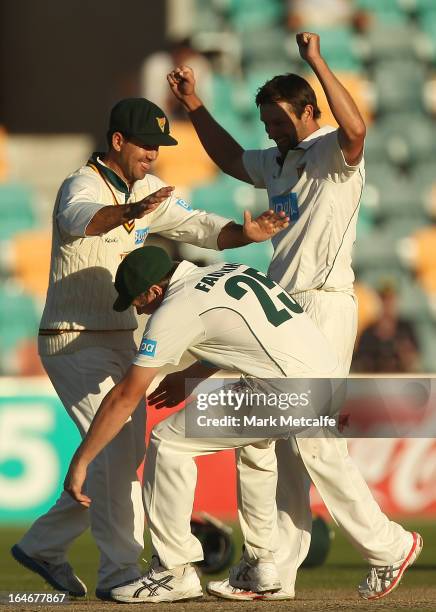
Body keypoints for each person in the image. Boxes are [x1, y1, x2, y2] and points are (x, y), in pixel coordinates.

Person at [166, 31, 422, 600]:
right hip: (283, 310)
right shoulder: (278, 160)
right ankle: (274, 570)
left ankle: (389, 545)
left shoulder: (332, 151)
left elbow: (358, 130)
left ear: (310, 111)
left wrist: (317, 61)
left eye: (281, 121)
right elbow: (232, 159)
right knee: (272, 442)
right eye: (268, 124)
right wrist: (195, 106)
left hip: (325, 305)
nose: (273, 133)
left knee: (312, 440)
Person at [10, 97, 289, 599]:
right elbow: (81, 221)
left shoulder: (148, 191)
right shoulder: (83, 184)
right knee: (117, 452)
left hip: (120, 337)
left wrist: (243, 234)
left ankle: (44, 545)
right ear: (118, 141)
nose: (152, 155)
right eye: (145, 145)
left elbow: (199, 226)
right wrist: (130, 213)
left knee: (124, 451)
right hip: (72, 338)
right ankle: (118, 572)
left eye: (159, 147)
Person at [64, 244, 342, 603]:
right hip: (329, 383)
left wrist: (81, 461)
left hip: (285, 390)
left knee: (168, 443)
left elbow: (124, 397)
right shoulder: (225, 270)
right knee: (254, 446)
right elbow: (238, 330)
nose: (138, 311)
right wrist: (191, 374)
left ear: (153, 291)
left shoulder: (173, 310)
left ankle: (174, 569)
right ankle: (261, 564)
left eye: (137, 302)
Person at [353, 282, 420, 373]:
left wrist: (403, 351)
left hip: (401, 378)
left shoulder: (406, 328)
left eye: (391, 300)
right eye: (384, 299)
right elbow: (360, 363)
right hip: (375, 380)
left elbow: (414, 358)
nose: (387, 304)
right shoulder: (368, 331)